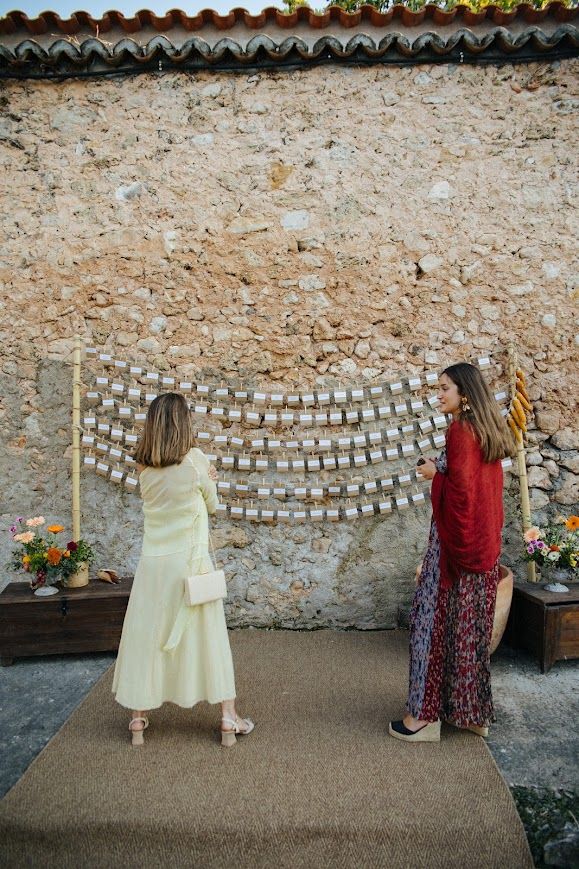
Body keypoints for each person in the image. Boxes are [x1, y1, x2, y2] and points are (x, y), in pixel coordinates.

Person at [112, 392, 254, 747]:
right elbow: (213, 505)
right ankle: (227, 717)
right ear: (183, 423)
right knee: (209, 636)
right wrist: (211, 478)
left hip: (153, 564)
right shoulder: (195, 460)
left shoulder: (142, 466)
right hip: (191, 565)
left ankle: (138, 719)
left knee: (147, 634)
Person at [389, 362, 513, 743]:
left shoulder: (460, 431)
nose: (439, 395)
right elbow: (477, 486)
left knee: (431, 627)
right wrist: (443, 469)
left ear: (465, 394)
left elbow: (460, 495)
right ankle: (472, 714)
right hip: (484, 549)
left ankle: (423, 719)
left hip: (454, 553)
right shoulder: (487, 431)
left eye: (445, 388)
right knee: (469, 633)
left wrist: (435, 474)